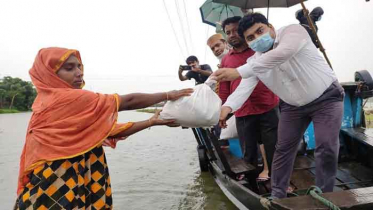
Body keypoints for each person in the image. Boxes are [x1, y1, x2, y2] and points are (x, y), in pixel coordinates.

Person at [14, 47, 193, 209]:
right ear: (49, 74)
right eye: (69, 68)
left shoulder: (45, 103)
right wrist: (168, 94)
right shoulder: (68, 99)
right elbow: (127, 101)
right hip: (59, 178)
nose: (79, 73)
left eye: (79, 67)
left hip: (65, 176)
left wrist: (150, 122)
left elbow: (110, 131)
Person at [213, 13, 344, 198]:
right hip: (293, 106)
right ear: (248, 43)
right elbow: (244, 87)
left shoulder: (293, 31)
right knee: (282, 149)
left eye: (260, 31)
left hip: (326, 98)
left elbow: (283, 53)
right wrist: (227, 108)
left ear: (271, 27)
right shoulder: (254, 62)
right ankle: (277, 195)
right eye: (250, 38)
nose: (257, 38)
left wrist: (237, 71)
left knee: (326, 146)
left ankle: (325, 196)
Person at [218, 16, 279, 181]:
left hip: (268, 104)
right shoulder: (226, 60)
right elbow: (224, 88)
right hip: (242, 111)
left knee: (274, 145)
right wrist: (222, 110)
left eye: (236, 30)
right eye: (228, 32)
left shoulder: (260, 51)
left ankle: (278, 180)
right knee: (249, 150)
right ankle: (251, 183)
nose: (232, 35)